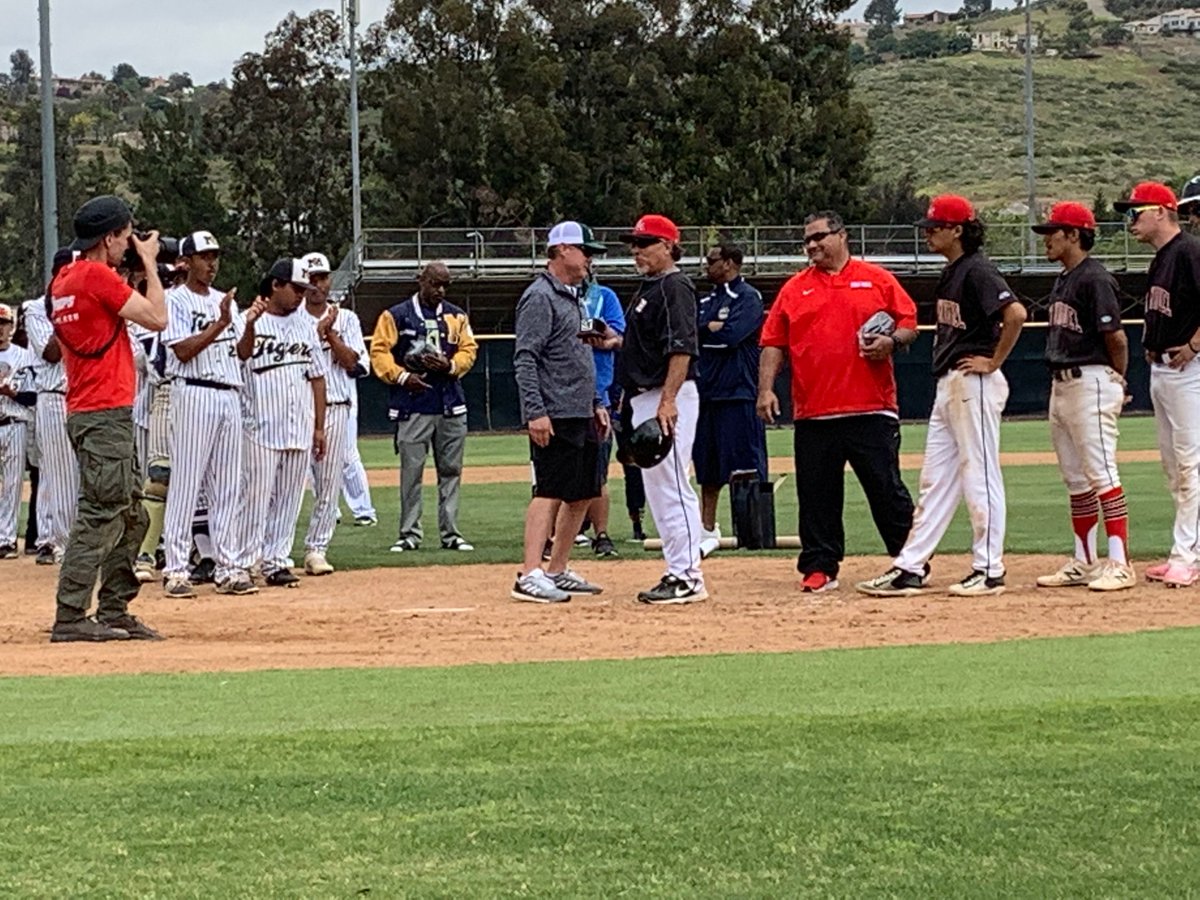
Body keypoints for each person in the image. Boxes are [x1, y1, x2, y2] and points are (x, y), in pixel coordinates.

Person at [858, 194, 1026, 598]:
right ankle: (910, 566)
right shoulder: (954, 271)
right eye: (928, 227)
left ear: (958, 230)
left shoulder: (978, 270)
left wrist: (993, 361)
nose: (929, 233)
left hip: (974, 381)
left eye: (936, 227)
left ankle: (989, 569)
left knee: (980, 475)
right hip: (950, 383)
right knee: (935, 481)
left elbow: (1016, 314)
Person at [757, 211, 918, 593]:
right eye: (807, 240)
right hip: (814, 411)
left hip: (871, 407)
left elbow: (908, 323)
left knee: (886, 489)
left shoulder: (877, 279)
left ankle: (911, 560)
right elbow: (773, 343)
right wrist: (766, 389)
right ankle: (820, 566)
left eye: (819, 237)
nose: (812, 245)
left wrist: (892, 342)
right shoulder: (795, 289)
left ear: (842, 236)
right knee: (816, 496)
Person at [47, 194, 167, 642]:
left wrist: (129, 272)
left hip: (90, 410)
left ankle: (115, 608)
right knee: (100, 513)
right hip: (104, 413)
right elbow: (157, 317)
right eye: (126, 235)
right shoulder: (97, 277)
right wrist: (150, 266)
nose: (130, 244)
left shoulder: (65, 279)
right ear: (110, 237)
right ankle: (71, 614)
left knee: (131, 514)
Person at [1030, 202, 1134, 592]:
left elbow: (1117, 337)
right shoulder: (1064, 278)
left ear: (1074, 235)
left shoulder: (1094, 278)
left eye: (1053, 233)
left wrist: (1117, 380)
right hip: (1062, 383)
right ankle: (1085, 560)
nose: (1047, 240)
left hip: (1090, 378)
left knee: (1102, 474)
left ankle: (1121, 563)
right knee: (1076, 479)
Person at [511, 220, 610, 602]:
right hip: (554, 411)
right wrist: (535, 411)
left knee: (583, 492)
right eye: (586, 251)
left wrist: (596, 402)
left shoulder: (574, 294)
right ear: (563, 250)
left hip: (580, 410)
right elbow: (525, 358)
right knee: (549, 490)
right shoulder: (540, 296)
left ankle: (558, 568)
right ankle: (530, 572)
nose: (589, 259)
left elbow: (582, 353)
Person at [617, 214, 707, 604]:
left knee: (672, 485)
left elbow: (681, 347)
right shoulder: (651, 287)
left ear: (668, 246)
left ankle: (687, 576)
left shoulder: (674, 285)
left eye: (645, 243)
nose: (637, 250)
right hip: (645, 395)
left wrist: (668, 401)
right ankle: (677, 570)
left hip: (666, 397)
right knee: (659, 489)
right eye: (634, 243)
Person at [1115, 181, 1200, 587]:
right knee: (1173, 465)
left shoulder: (1189, 251)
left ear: (1162, 211)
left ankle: (1186, 555)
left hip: (1190, 370)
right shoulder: (1161, 259)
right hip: (1164, 368)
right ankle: (1189, 550)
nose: (1131, 219)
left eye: (1136, 212)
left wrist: (1194, 344)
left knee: (1190, 463)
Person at [160, 230, 253, 598]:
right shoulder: (175, 300)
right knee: (186, 483)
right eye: (204, 256)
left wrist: (248, 323)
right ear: (185, 262)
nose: (211, 263)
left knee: (228, 485)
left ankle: (228, 566)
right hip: (194, 390)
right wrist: (220, 324)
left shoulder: (223, 301)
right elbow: (182, 351)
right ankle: (177, 569)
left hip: (229, 393)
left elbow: (244, 352)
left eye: (214, 256)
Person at [370, 261, 477, 553]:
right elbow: (379, 353)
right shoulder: (396, 315)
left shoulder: (457, 315)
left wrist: (451, 365)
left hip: (451, 404)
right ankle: (409, 534)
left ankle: (451, 533)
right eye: (435, 284)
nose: (440, 290)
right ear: (421, 281)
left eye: (445, 285)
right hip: (412, 406)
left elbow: (469, 350)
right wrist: (403, 377)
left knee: (451, 471)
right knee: (411, 473)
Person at [237, 259, 328, 586]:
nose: (302, 296)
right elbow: (240, 358)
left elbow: (318, 377)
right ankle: (246, 562)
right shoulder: (248, 320)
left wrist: (319, 427)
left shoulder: (305, 325)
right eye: (296, 288)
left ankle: (275, 560)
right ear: (276, 284)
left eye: (305, 290)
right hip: (259, 424)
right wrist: (249, 325)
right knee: (255, 498)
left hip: (299, 424)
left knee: (289, 500)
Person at [696, 241, 766, 556]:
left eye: (712, 261)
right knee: (707, 467)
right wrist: (708, 329)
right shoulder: (706, 300)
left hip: (739, 390)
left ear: (730, 263)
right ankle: (706, 529)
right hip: (707, 392)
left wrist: (710, 331)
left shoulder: (748, 297)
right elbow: (692, 334)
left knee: (745, 464)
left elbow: (732, 337)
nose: (706, 267)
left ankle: (754, 531)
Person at [300, 251, 367, 575]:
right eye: (311, 279)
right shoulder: (290, 316)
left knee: (328, 485)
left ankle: (317, 549)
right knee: (280, 486)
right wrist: (315, 333)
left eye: (322, 277)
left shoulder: (348, 318)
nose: (316, 285)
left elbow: (355, 364)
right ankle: (272, 551)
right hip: (295, 407)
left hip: (336, 408)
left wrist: (329, 333)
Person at [22, 248, 78, 567]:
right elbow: (51, 353)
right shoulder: (35, 309)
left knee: (85, 475)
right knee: (59, 475)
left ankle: (76, 543)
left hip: (82, 394)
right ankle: (60, 542)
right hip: (53, 396)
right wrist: (67, 311)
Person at [574, 265, 625, 557]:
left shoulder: (604, 296)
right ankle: (556, 535)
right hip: (564, 395)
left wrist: (606, 336)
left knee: (598, 470)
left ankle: (601, 534)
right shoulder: (553, 298)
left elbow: (619, 336)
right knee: (559, 470)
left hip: (600, 391)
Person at [0, 303, 37, 558]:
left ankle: (7, 539)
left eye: (3, 324)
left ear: (11, 327)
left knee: (13, 484)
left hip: (15, 423)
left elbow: (32, 396)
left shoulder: (23, 356)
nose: (0, 329)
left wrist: (12, 393)